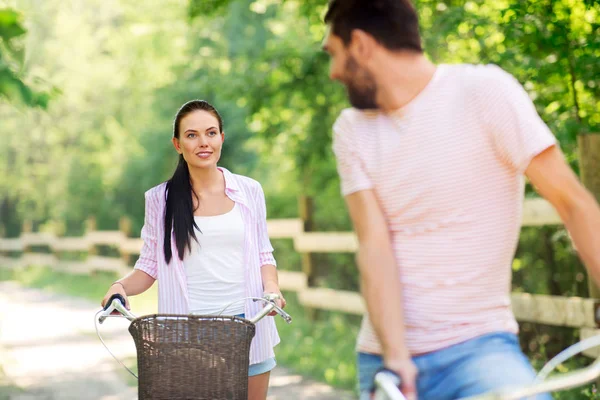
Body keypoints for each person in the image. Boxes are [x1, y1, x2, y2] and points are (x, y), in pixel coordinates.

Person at [321, 1, 600, 399]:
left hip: (479, 349)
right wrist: (398, 357)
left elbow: (573, 202)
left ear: (362, 45)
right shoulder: (352, 130)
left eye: (335, 53)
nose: (333, 72)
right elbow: (374, 245)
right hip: (385, 358)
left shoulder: (484, 92)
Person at [100, 100, 285, 400]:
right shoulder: (160, 199)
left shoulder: (250, 191)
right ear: (177, 144)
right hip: (187, 335)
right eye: (192, 135)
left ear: (222, 138)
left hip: (248, 326)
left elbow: (264, 254)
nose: (203, 143)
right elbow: (148, 267)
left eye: (211, 133)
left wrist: (272, 288)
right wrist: (119, 286)